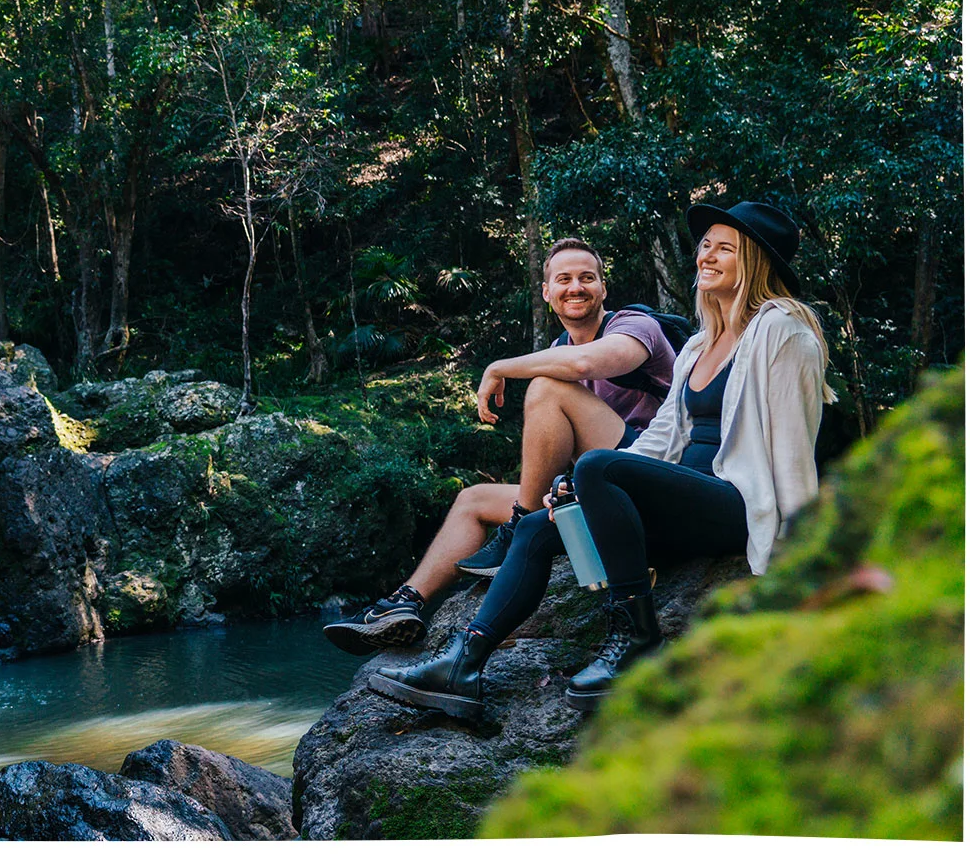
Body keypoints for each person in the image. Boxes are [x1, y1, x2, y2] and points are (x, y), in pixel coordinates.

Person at [367, 201, 831, 720]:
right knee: (543, 523)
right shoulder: (701, 344)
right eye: (705, 245)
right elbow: (660, 438)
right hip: (684, 496)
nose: (707, 256)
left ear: (756, 262)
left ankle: (636, 637)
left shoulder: (785, 332)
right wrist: (580, 490)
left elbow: (795, 450)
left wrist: (805, 560)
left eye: (726, 248)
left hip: (736, 503)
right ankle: (463, 662)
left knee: (596, 466)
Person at [322, 237, 677, 655]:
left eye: (587, 278)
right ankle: (404, 604)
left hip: (653, 470)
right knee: (473, 500)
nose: (575, 287)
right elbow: (560, 443)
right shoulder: (557, 352)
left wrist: (497, 367)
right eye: (563, 279)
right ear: (547, 293)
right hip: (598, 486)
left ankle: (518, 526)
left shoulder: (635, 326)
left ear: (603, 287)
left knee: (547, 387)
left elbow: (586, 364)